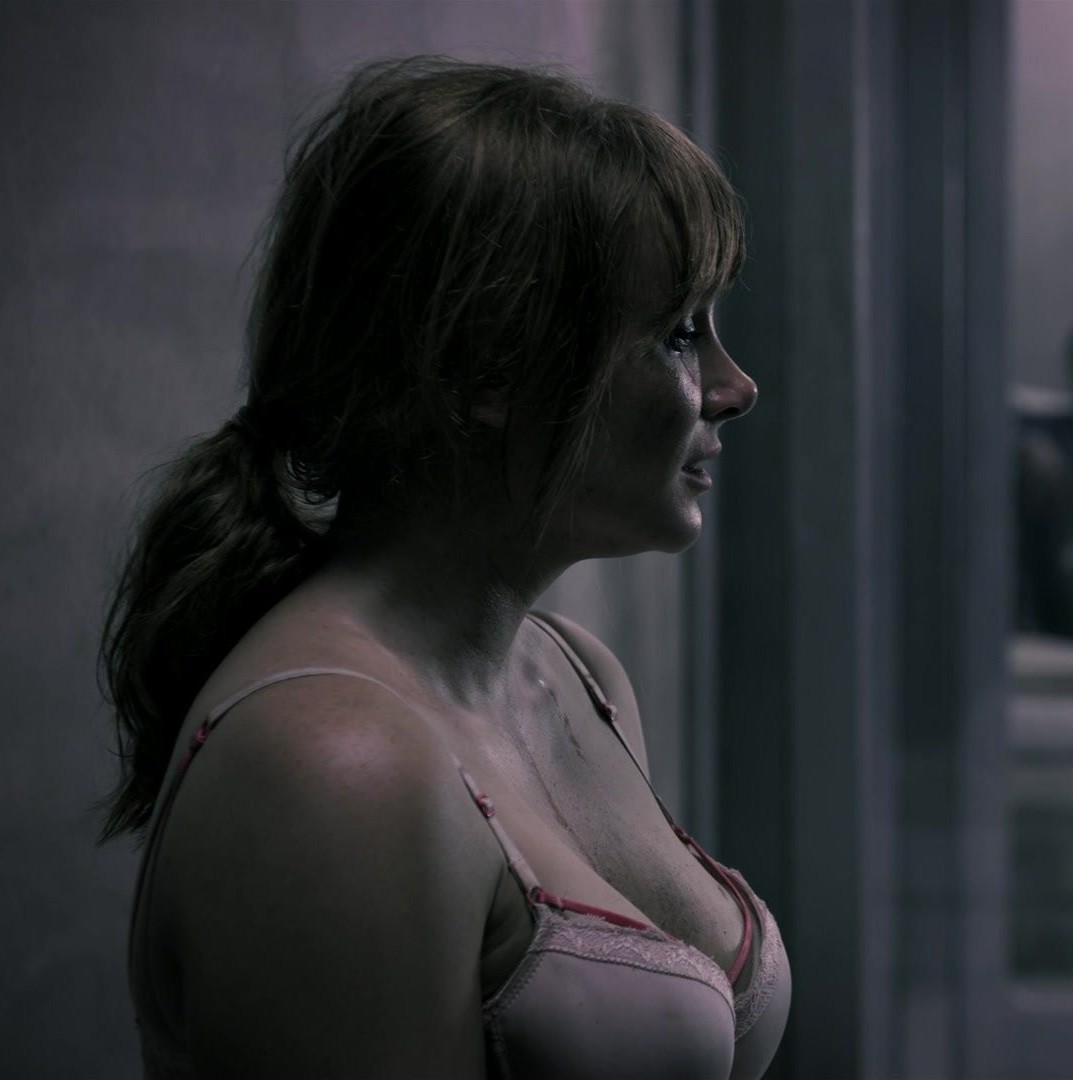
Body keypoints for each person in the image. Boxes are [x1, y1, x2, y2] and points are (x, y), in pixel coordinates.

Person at [98, 56, 791, 1080]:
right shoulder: (332, 768)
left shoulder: (571, 673)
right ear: (487, 370)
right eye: (678, 334)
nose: (735, 386)